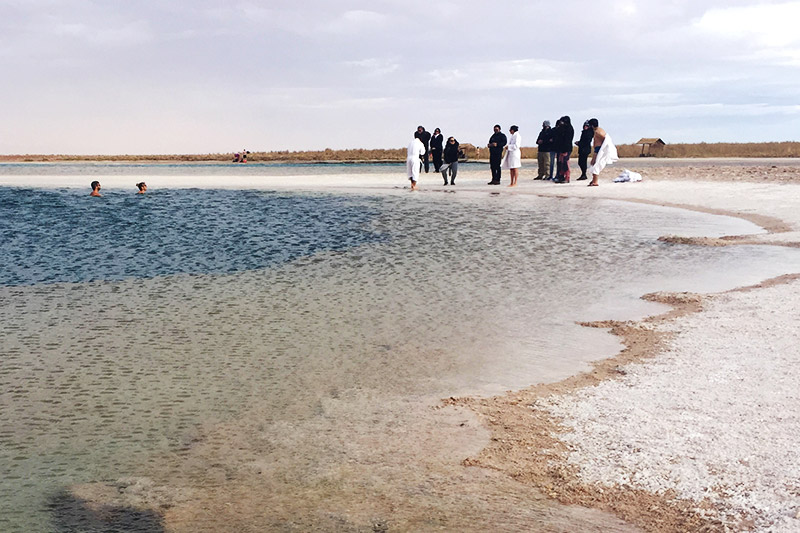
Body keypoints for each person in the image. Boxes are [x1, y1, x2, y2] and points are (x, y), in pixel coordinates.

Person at [588, 118, 619, 186]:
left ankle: (595, 181)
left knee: (595, 164)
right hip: (597, 148)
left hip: (599, 149)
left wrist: (603, 148)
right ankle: (593, 180)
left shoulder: (598, 132)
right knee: (593, 164)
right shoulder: (597, 130)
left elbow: (606, 139)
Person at [553, 116, 574, 183]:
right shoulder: (562, 128)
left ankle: (567, 177)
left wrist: (564, 150)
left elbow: (567, 140)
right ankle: (560, 176)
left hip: (566, 149)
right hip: (560, 148)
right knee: (560, 163)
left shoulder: (569, 129)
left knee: (565, 163)